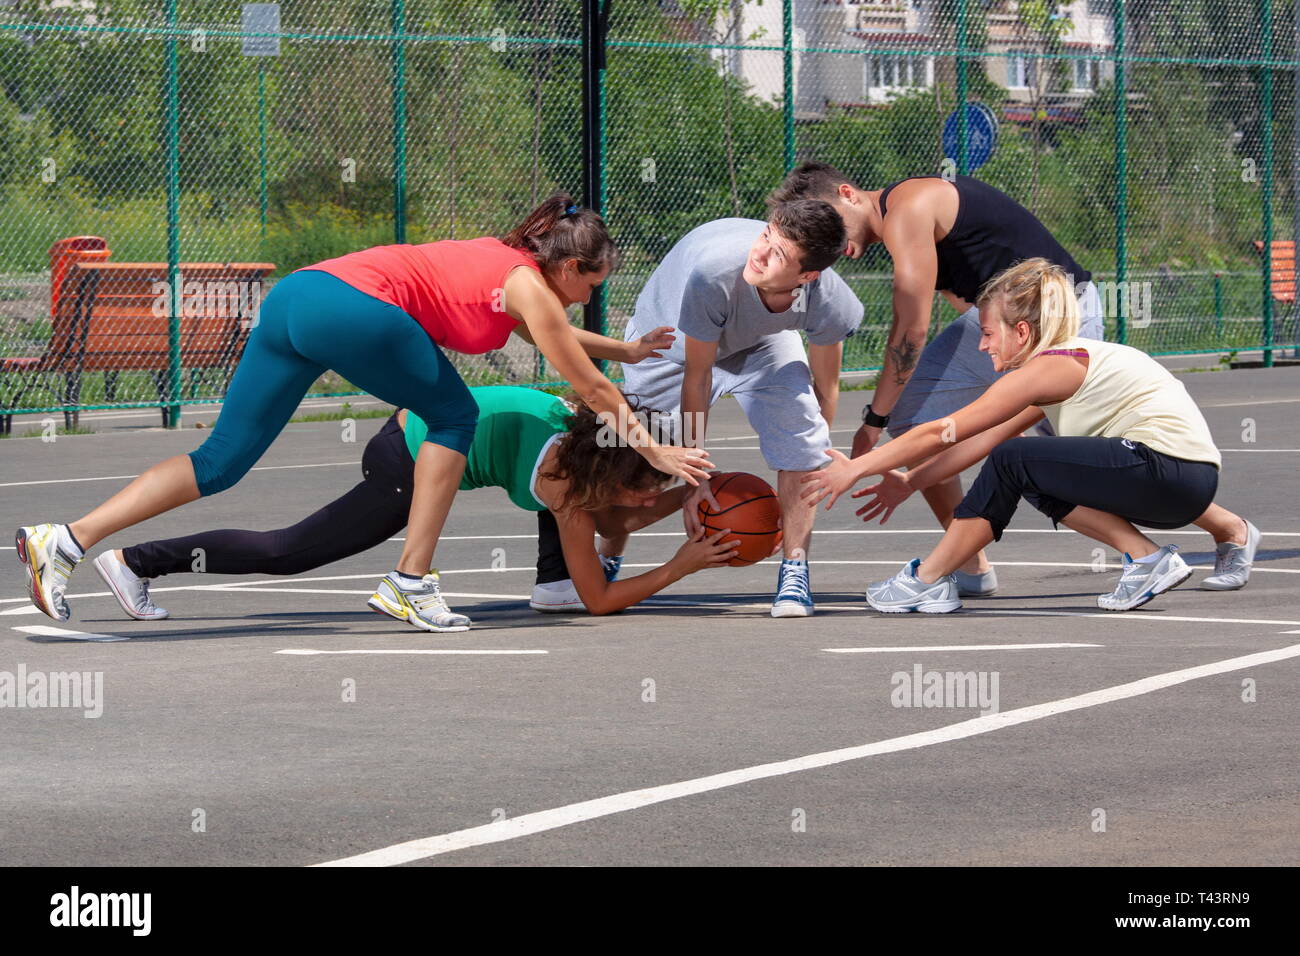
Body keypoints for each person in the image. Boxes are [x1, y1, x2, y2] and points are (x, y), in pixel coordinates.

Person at [16, 193, 712, 632]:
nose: (590, 296)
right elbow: (589, 388)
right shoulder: (529, 286)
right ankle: (411, 581)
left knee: (219, 462)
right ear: (568, 267)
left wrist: (621, 346)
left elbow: (552, 339)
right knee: (455, 416)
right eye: (594, 283)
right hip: (354, 309)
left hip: (300, 297)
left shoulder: (509, 269)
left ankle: (67, 540)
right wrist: (658, 452)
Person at [771, 163, 1260, 593]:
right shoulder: (916, 223)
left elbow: (910, 329)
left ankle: (1226, 530)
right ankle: (967, 560)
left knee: (1085, 452)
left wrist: (872, 423)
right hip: (1000, 321)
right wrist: (910, 455)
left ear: (849, 195)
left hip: (1055, 311)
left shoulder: (910, 207)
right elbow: (964, 303)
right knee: (925, 412)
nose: (838, 248)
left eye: (832, 228)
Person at [90, 388, 734, 624]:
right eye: (649, 483)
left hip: (433, 432)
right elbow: (602, 599)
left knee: (589, 526)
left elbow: (619, 511)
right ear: (619, 482)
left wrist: (692, 487)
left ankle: (550, 581)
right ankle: (136, 561)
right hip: (406, 457)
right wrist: (684, 563)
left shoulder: (588, 431)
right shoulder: (569, 494)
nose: (654, 491)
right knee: (288, 552)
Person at [802, 259, 1229, 614]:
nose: (983, 346)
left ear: (1021, 332)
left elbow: (944, 431)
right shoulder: (1055, 372)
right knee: (1026, 470)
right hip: (1181, 484)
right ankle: (1146, 558)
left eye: (988, 334)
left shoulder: (1050, 366)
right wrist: (911, 481)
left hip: (1166, 470)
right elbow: (981, 442)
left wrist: (856, 467)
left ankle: (927, 578)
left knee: (1017, 458)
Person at [619, 201, 864, 618]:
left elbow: (827, 387)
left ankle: (795, 568)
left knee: (802, 438)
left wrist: (809, 451)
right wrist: (696, 480)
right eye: (766, 235)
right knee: (636, 458)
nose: (762, 252)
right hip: (667, 346)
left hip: (761, 342)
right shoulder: (714, 274)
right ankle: (609, 556)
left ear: (807, 277)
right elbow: (699, 376)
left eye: (779, 254)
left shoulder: (831, 302)